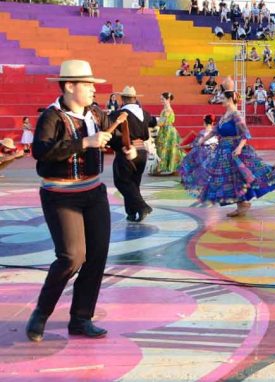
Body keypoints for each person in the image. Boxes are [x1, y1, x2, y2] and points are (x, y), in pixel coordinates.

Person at [26, 60, 136, 342]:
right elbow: (41, 151)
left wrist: (127, 148)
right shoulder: (51, 117)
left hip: (94, 193)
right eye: (87, 85)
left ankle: (81, 318)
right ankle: (42, 311)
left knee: (96, 257)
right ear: (69, 86)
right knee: (72, 257)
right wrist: (84, 143)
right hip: (60, 195)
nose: (92, 89)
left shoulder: (96, 113)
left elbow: (109, 138)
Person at [180, 91, 275, 217]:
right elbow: (215, 131)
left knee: (240, 177)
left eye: (223, 98)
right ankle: (241, 204)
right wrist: (202, 140)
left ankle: (243, 203)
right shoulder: (225, 115)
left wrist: (238, 148)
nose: (221, 100)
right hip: (223, 151)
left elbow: (245, 134)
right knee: (231, 180)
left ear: (230, 100)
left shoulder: (236, 115)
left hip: (234, 150)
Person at [111, 86, 156, 222]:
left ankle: (142, 207)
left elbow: (109, 128)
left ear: (123, 99)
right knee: (134, 184)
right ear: (135, 99)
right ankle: (132, 212)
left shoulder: (119, 114)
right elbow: (153, 122)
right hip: (142, 152)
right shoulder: (145, 113)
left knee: (122, 181)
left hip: (127, 150)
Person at [151, 92, 184, 175]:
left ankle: (161, 168)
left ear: (168, 99)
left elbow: (161, 122)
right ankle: (171, 168)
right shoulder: (166, 109)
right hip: (167, 130)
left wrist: (153, 122)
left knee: (164, 148)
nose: (161, 100)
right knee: (166, 148)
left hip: (167, 131)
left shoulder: (167, 110)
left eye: (163, 99)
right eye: (161, 99)